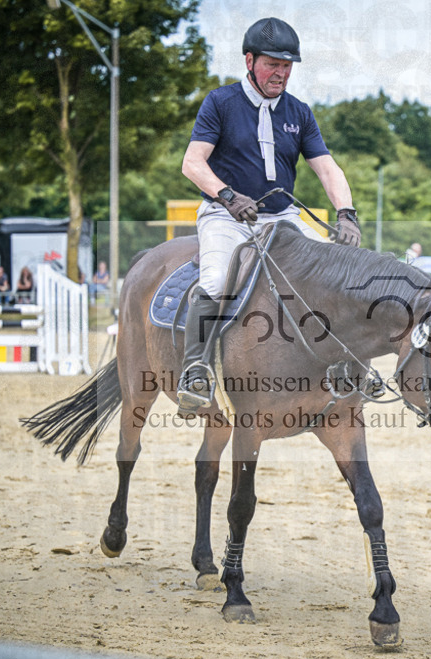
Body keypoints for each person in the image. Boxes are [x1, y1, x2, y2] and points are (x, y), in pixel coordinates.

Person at [176, 17, 360, 410]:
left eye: (287, 66)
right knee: (215, 281)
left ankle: (344, 364)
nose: (281, 73)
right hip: (225, 216)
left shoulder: (299, 112)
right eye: (272, 64)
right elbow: (192, 163)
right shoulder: (220, 103)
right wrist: (228, 196)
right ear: (249, 61)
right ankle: (195, 371)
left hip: (281, 217)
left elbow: (327, 168)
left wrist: (346, 213)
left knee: (334, 275)